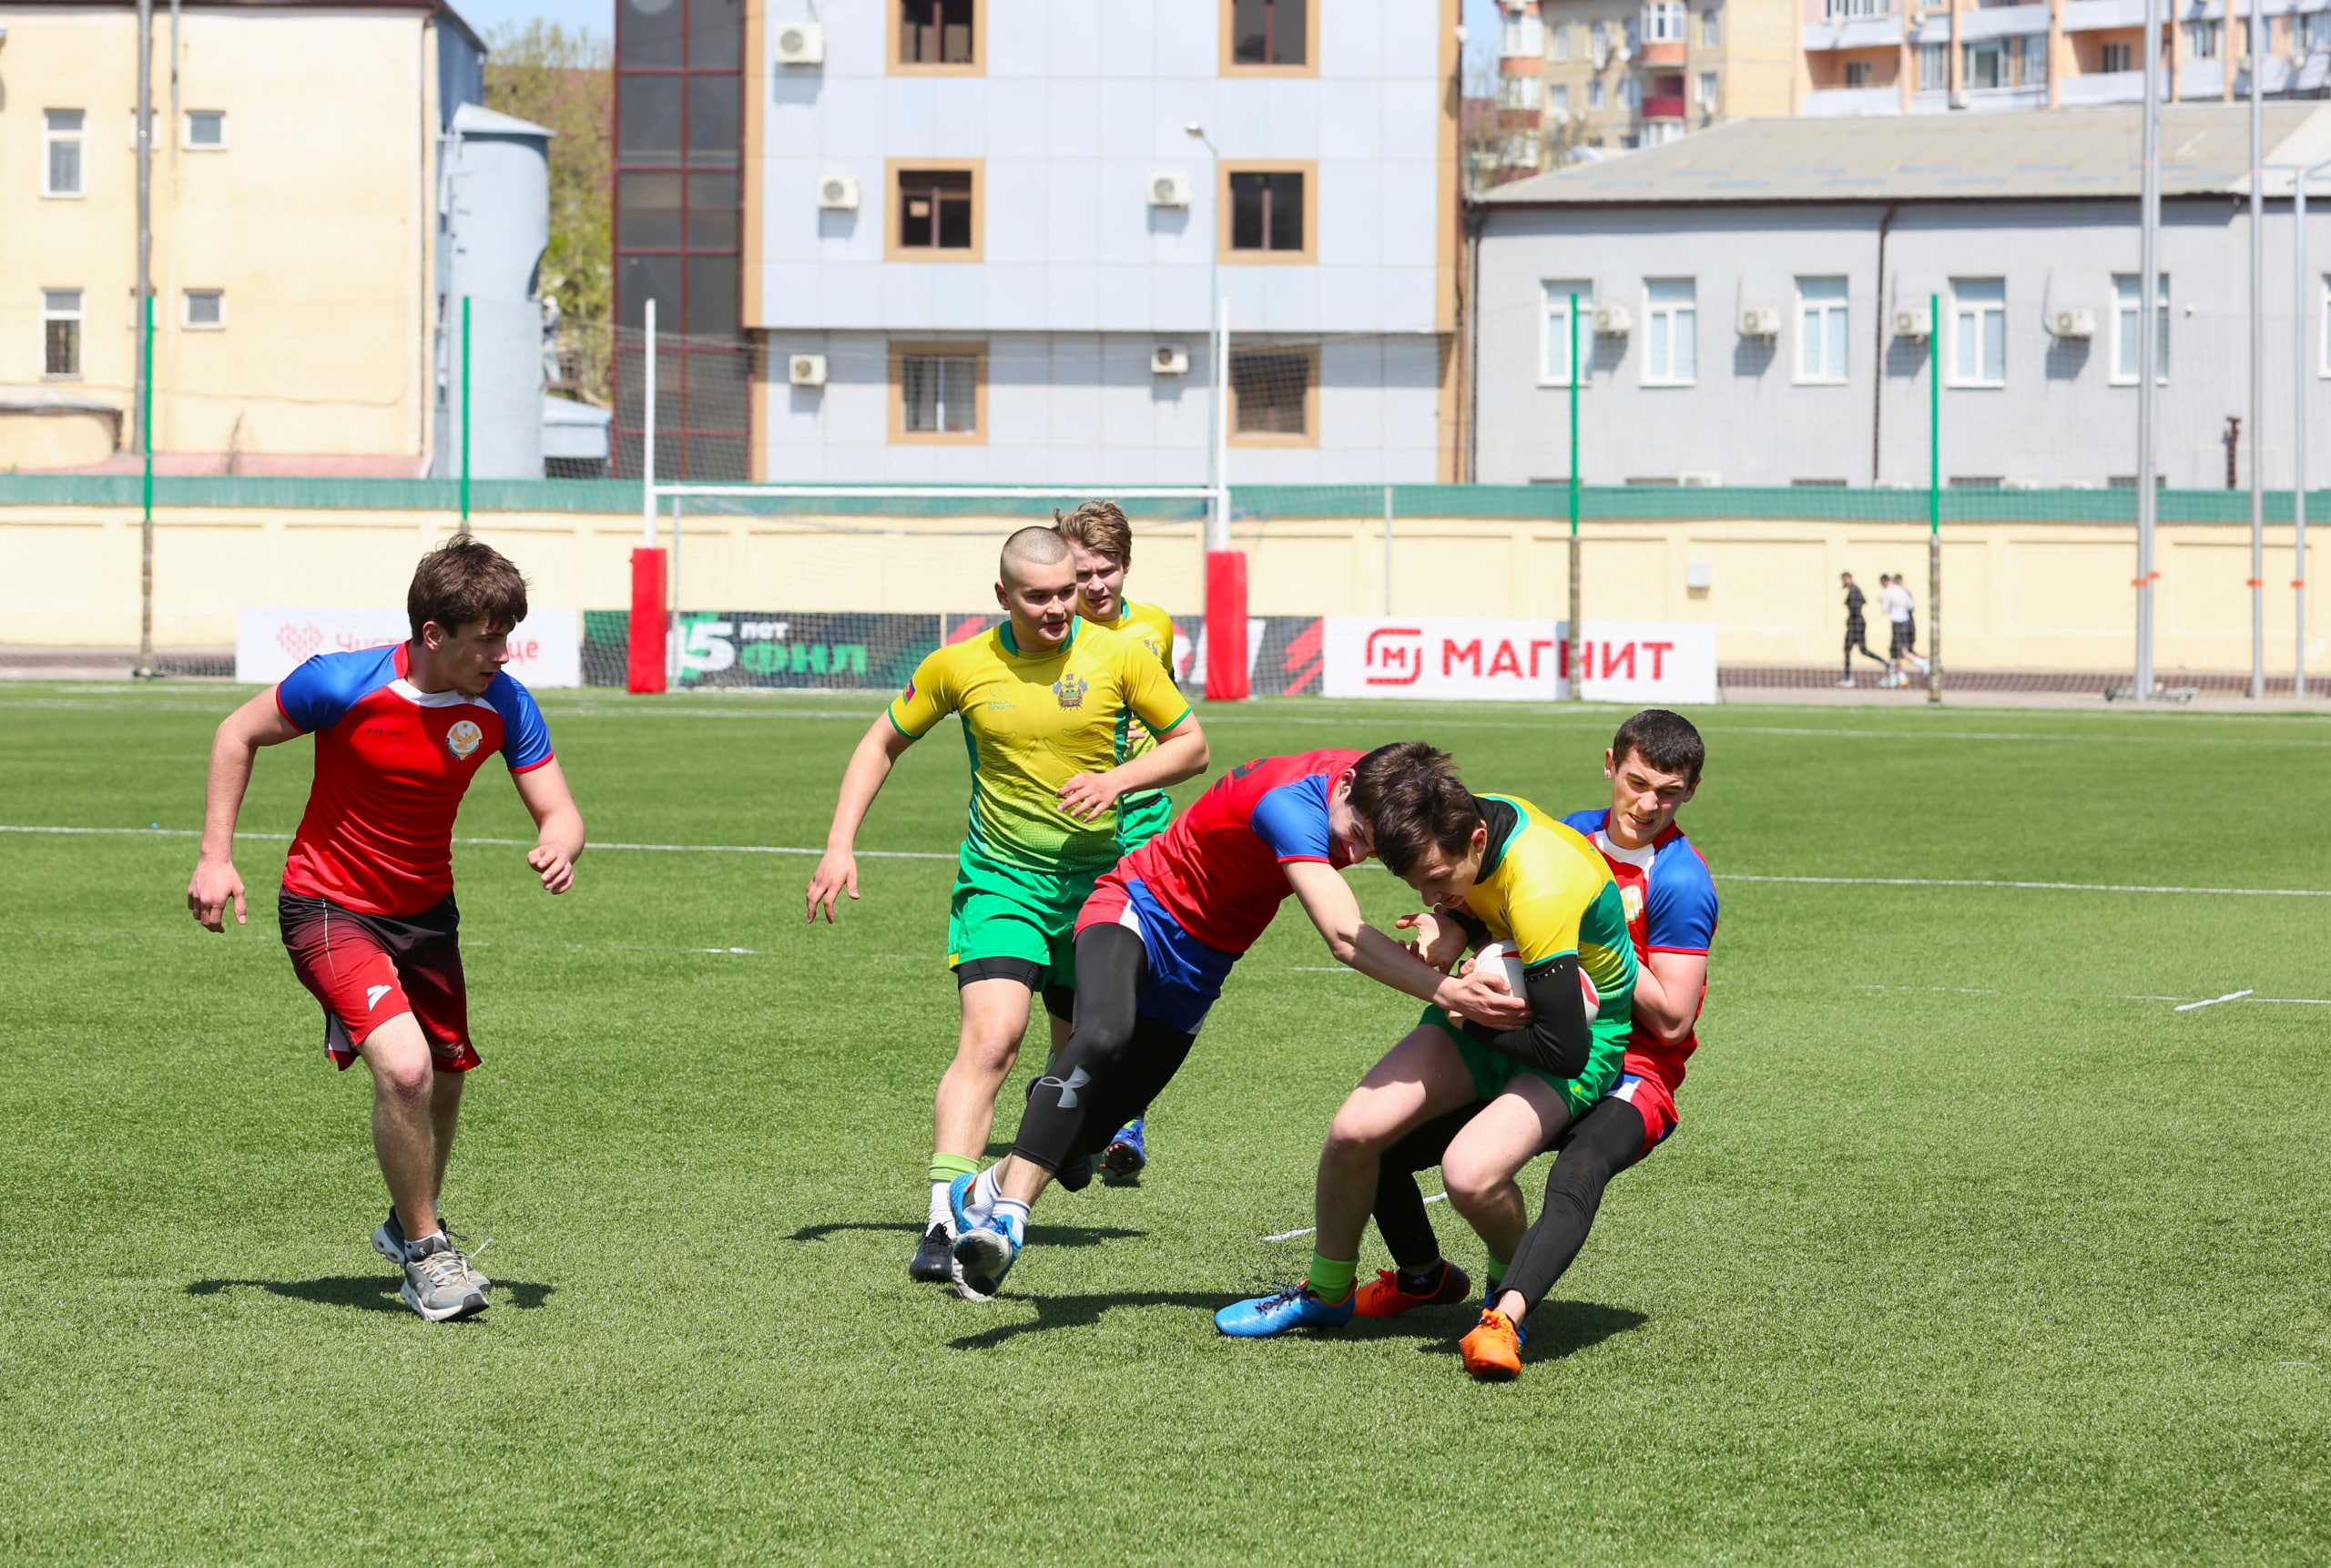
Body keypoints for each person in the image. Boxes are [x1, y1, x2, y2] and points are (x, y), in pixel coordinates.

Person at [945, 744, 1532, 1301]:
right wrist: (1452, 991)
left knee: (1094, 1130)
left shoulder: (1388, 789)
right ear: (1345, 786)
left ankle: (983, 1190)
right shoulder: (1288, 805)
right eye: (1356, 838)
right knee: (1101, 1034)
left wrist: (1448, 928)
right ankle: (1007, 1226)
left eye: (1371, 851)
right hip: (1139, 908)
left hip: (1201, 966)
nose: (1354, 855)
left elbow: (1459, 849)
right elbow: (1345, 937)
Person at [185, 537, 586, 1323]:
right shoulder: (342, 681)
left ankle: (410, 1220)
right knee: (405, 1071)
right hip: (326, 906)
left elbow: (560, 810)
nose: (503, 654)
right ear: (434, 635)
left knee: (446, 1074)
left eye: (508, 636)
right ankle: (429, 1254)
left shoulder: (503, 702)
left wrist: (560, 844)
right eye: (488, 638)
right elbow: (237, 735)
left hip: (428, 915)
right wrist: (215, 856)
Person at [805, 524, 1209, 1286]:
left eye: (1067, 592)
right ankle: (942, 1219)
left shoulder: (1119, 653)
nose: (1060, 608)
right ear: (1003, 596)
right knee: (993, 1038)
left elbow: (1191, 743)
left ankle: (1071, 1141)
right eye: (1040, 596)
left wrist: (1117, 782)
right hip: (1003, 882)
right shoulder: (959, 666)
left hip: (1102, 889)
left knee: (1088, 1055)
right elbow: (880, 743)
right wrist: (839, 842)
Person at [1212, 759, 1639, 1347]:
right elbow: (1477, 901)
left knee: (1470, 1175)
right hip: (1487, 1000)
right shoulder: (1464, 817)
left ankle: (1508, 1292)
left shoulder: (1543, 880)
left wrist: (1463, 1013)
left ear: (1478, 840)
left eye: (1437, 877)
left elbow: (1562, 1049)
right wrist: (1450, 921)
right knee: (1354, 1132)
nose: (1429, 892)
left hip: (1578, 1036)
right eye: (1415, 883)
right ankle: (1326, 1293)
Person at [1357, 709, 1716, 1382]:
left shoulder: (1680, 882)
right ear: (1610, 766)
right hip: (1532, 1035)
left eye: (1667, 793)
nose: (1647, 804)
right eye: (1637, 782)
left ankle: (1507, 1317)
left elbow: (1670, 1020)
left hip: (1634, 1065)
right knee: (1380, 1144)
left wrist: (1595, 947)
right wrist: (1447, 930)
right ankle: (1421, 1276)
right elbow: (1476, 903)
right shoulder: (1566, 835)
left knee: (1577, 1171)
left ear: (1690, 792)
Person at [1053, 498, 1178, 1182]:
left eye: (1109, 571)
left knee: (1138, 963)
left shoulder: (1152, 627)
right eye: (1083, 573)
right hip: (1073, 820)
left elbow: (1175, 713)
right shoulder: (1051, 626)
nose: (1096, 586)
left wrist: (1142, 749)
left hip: (1145, 816)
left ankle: (1123, 1118)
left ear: (1126, 566)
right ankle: (1068, 1101)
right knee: (1073, 977)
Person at [1839, 572, 1888, 687]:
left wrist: (1851, 621)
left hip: (1856, 625)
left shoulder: (1854, 591)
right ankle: (1886, 663)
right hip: (1856, 624)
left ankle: (1847, 678)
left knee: (1854, 650)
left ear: (1848, 579)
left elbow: (1858, 606)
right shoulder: (1854, 590)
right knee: (1859, 650)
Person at [1881, 573, 1925, 686]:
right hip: (1907, 623)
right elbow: (1911, 605)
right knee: (1897, 651)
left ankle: (1924, 664)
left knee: (1899, 651)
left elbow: (1884, 609)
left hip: (1898, 623)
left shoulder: (1888, 592)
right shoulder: (1903, 591)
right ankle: (1898, 675)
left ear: (1884, 582)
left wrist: (1885, 604)